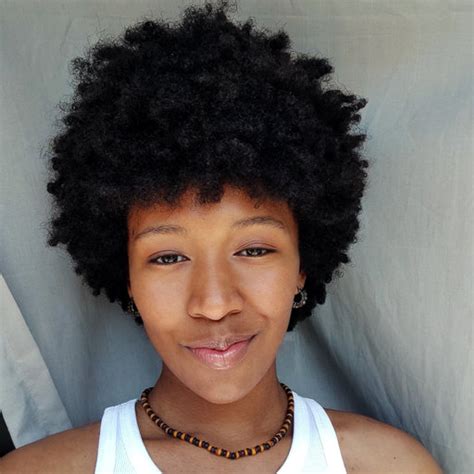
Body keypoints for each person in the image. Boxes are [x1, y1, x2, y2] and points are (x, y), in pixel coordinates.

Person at [0, 1, 443, 472]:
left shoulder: (391, 465)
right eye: (168, 257)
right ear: (127, 278)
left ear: (302, 266)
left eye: (254, 249)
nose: (213, 304)